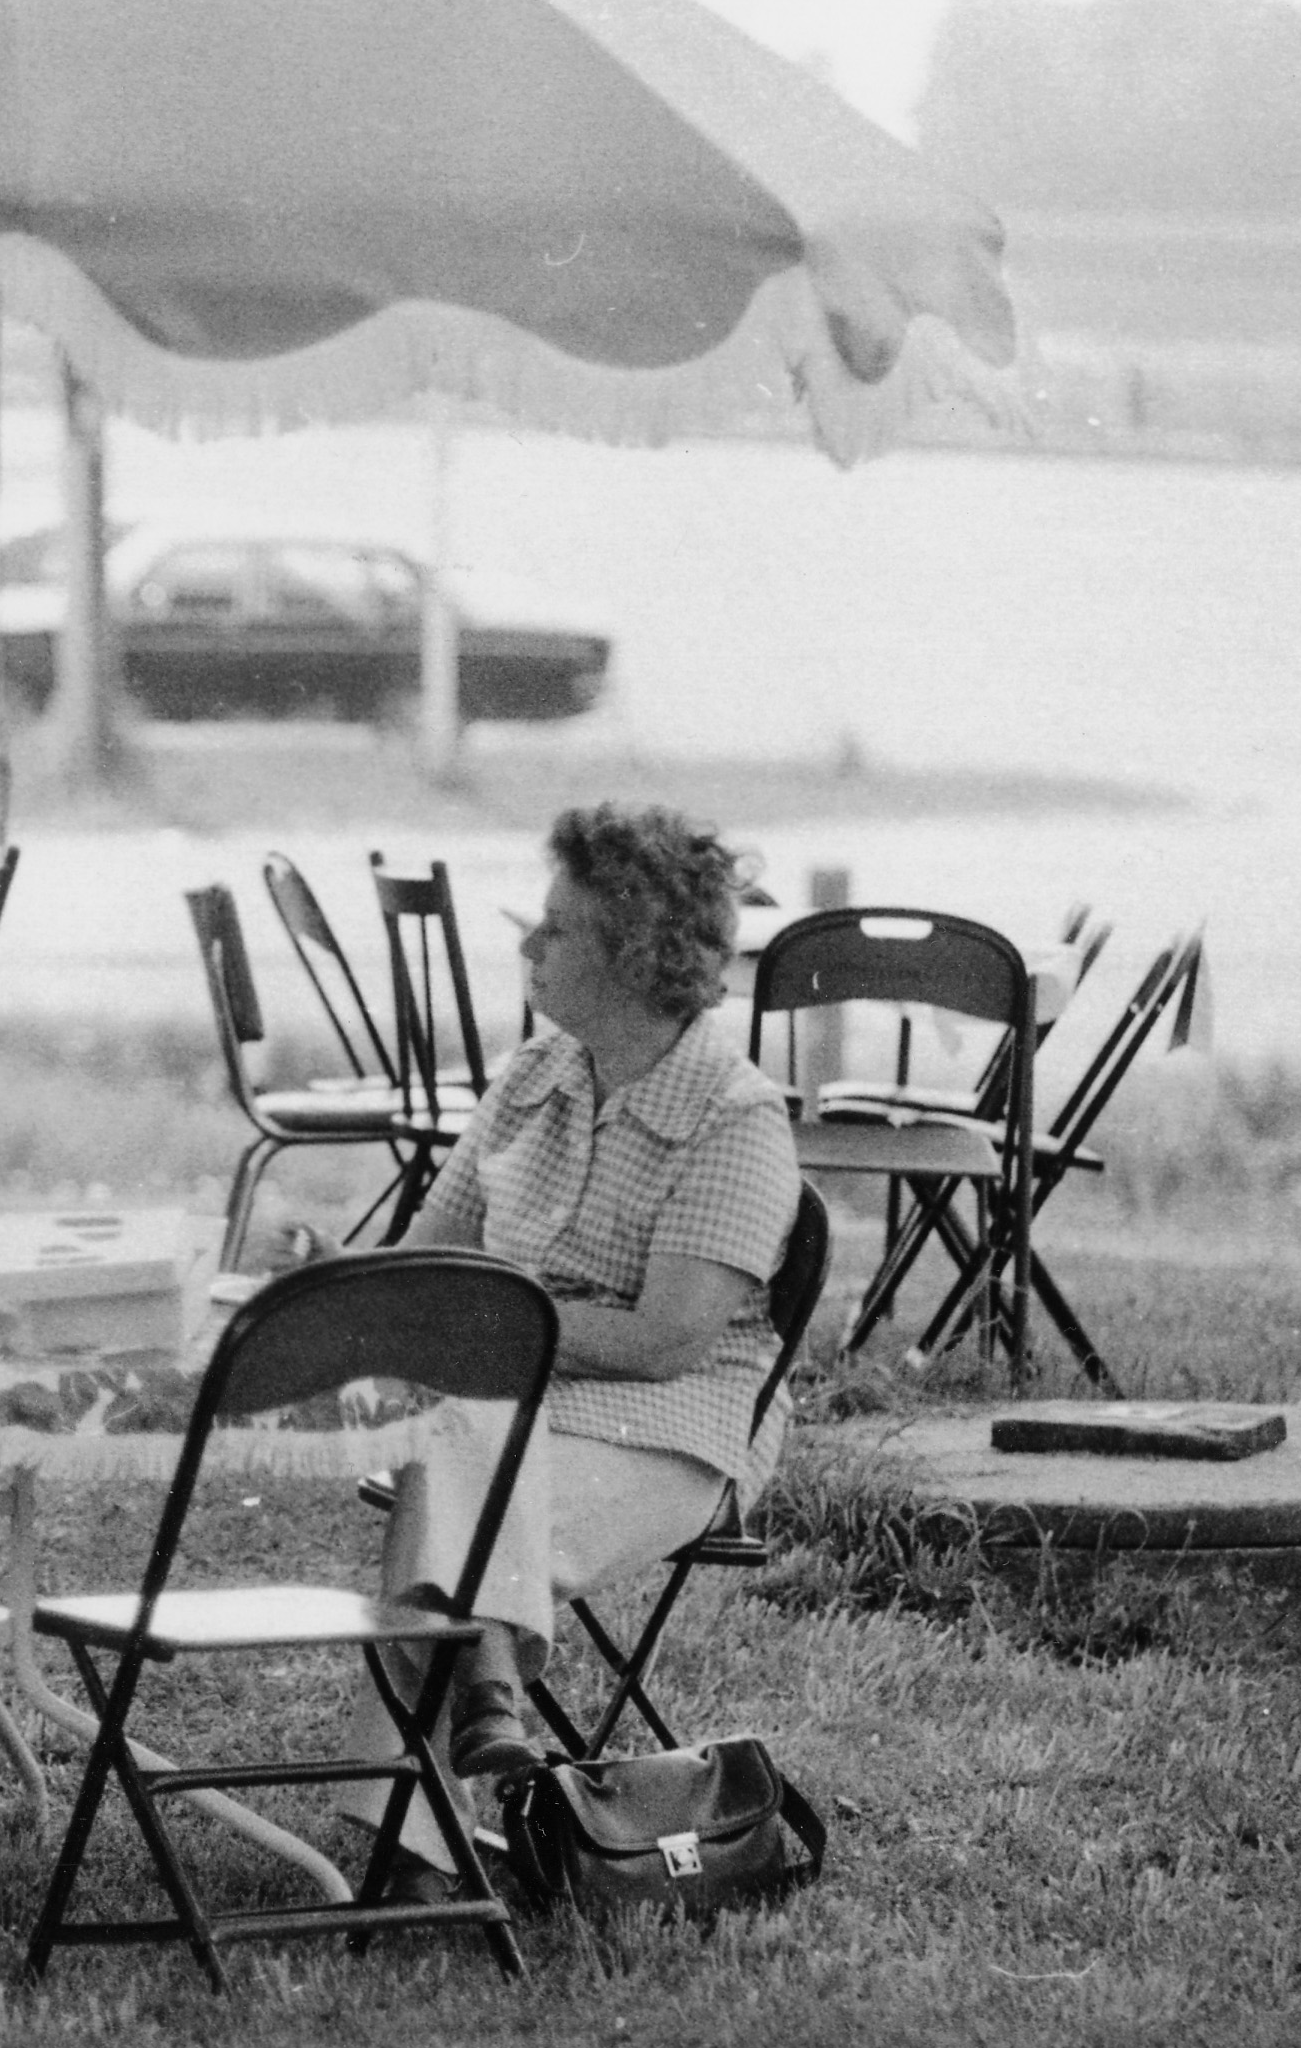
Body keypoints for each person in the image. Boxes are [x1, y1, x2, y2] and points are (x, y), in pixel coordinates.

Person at [334, 803, 799, 1883]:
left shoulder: (734, 1116)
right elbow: (426, 1259)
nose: (529, 944)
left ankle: (410, 1846)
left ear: (635, 956)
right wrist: (342, 1284)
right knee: (460, 1452)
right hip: (507, 1415)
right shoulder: (534, 1079)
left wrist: (488, 1327)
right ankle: (483, 1691)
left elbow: (663, 1341)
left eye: (557, 927)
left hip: (673, 1432)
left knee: (446, 1484)